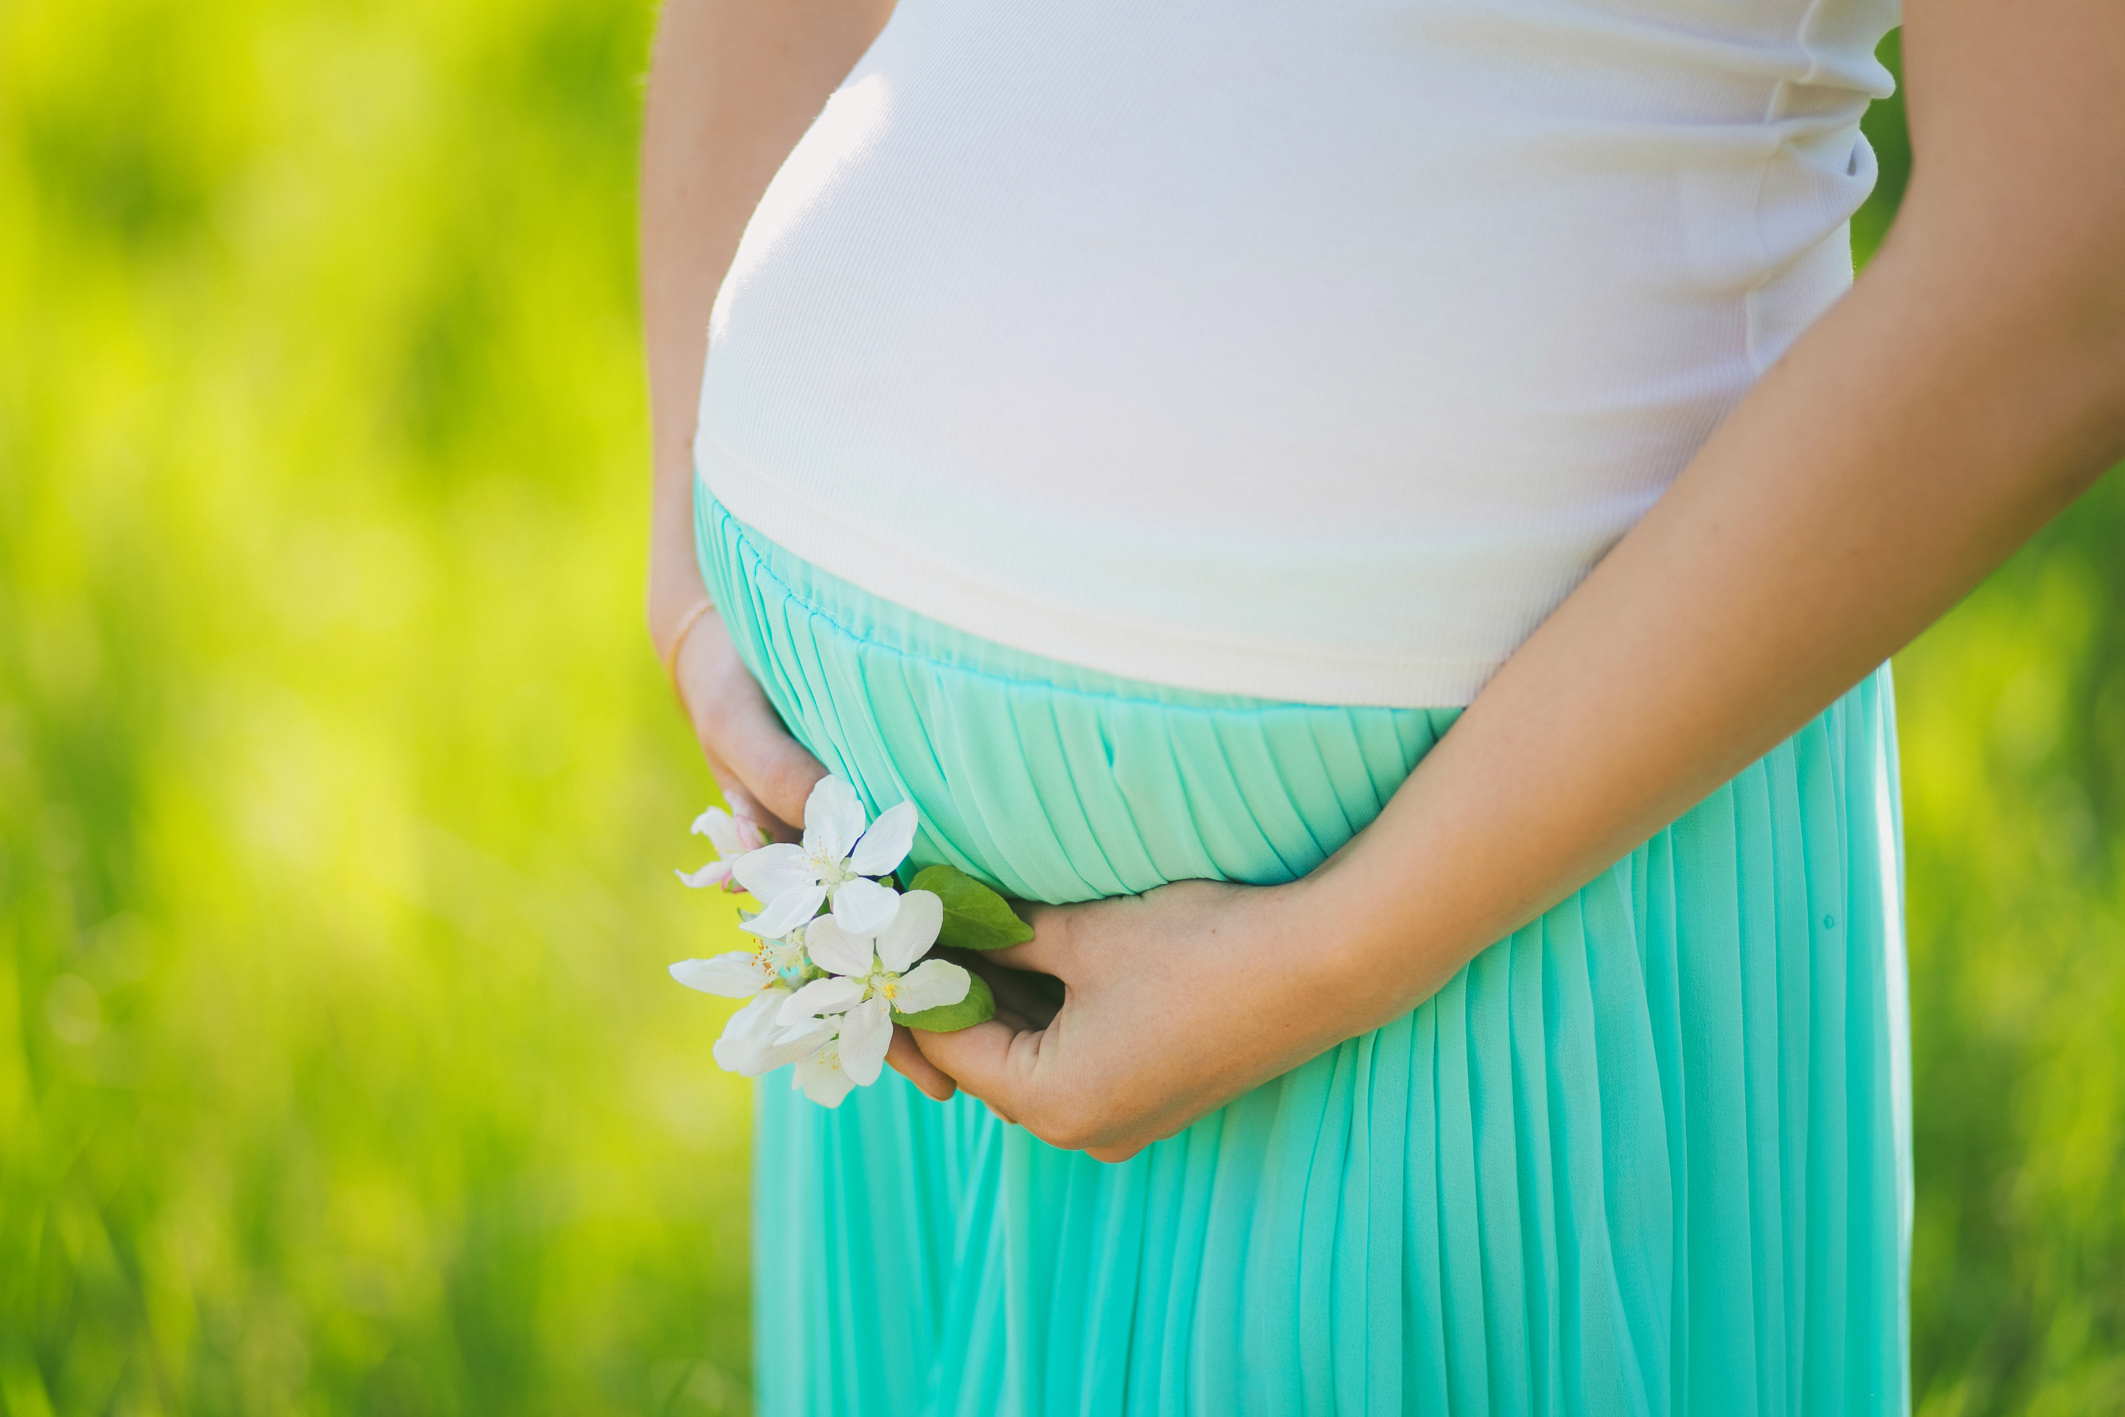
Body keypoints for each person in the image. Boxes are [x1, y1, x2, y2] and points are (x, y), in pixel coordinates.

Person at [638, 0, 2122, 1410]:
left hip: (1479, 911)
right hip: (868, 922)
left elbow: (2069, 241)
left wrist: (1328, 956)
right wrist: (687, 562)